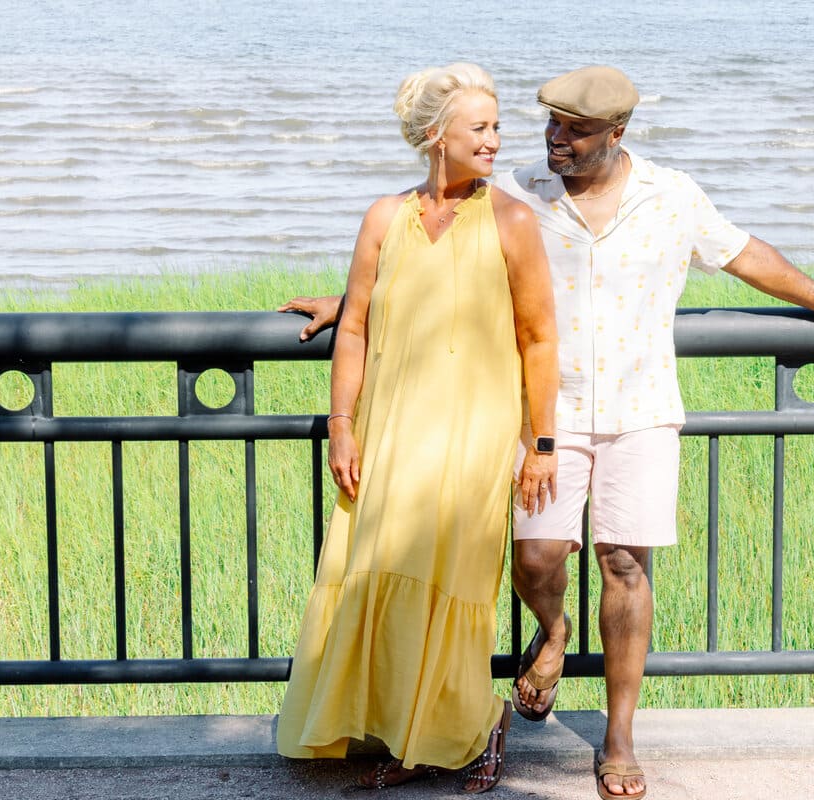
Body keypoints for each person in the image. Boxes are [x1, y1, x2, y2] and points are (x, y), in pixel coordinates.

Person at [282, 64, 814, 800]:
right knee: (537, 555)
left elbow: (745, 256)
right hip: (546, 415)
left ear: (616, 133)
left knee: (626, 567)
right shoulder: (514, 191)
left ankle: (618, 737)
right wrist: (352, 299)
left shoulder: (672, 196)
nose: (554, 140)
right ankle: (553, 631)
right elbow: (433, 242)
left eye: (574, 131)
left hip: (641, 409)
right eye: (550, 124)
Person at [274, 62, 558, 795]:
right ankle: (403, 732)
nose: (496, 140)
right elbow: (356, 326)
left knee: (452, 579)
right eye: (482, 127)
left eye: (497, 126)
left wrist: (541, 444)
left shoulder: (513, 220)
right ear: (437, 136)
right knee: (377, 566)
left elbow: (538, 338)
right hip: (389, 430)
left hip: (474, 437)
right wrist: (342, 426)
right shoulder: (382, 217)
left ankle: (477, 721)